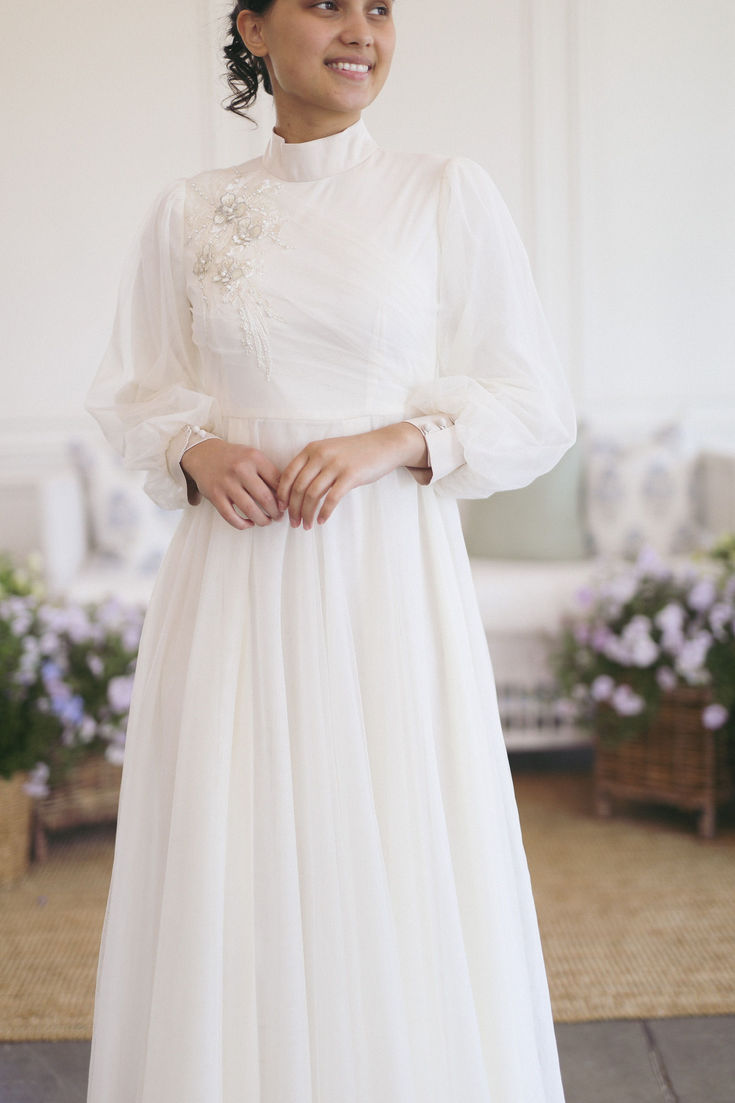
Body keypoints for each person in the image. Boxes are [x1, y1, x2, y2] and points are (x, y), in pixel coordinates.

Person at [84, 1, 577, 1099]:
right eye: (326, 5)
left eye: (381, 8)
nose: (360, 30)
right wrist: (196, 448)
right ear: (254, 29)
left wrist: (393, 438)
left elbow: (536, 404)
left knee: (393, 835)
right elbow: (133, 390)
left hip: (383, 576)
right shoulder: (191, 212)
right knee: (235, 839)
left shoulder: (444, 191)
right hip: (235, 572)